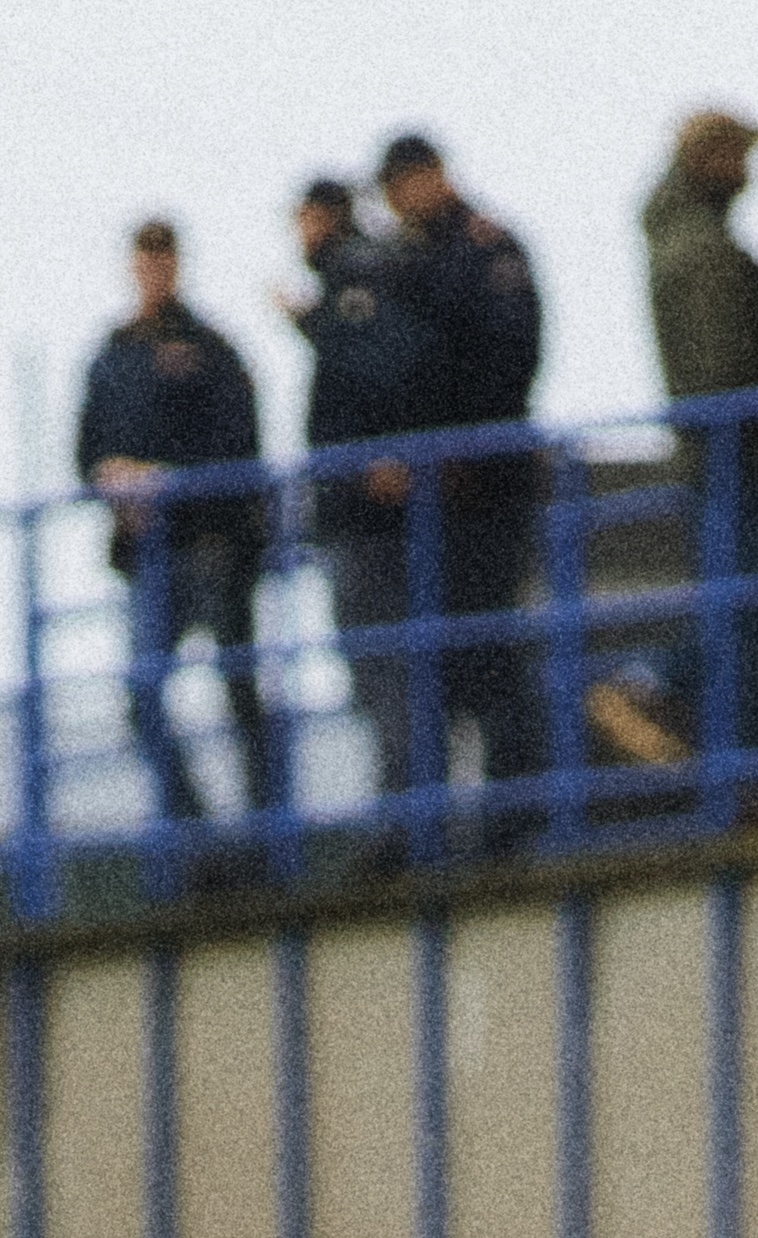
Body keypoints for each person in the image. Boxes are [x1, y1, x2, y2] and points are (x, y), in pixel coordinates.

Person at [599, 108, 758, 797]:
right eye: (738, 153)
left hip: (731, 456)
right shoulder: (703, 249)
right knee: (757, 609)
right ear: (709, 157)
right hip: (743, 457)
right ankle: (735, 762)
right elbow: (722, 367)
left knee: (753, 608)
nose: (747, 170)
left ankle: (740, 763)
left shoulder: (687, 238)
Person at [76, 220, 280, 846]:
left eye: (163, 260)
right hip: (147, 555)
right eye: (145, 261)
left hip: (213, 544)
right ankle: (200, 843)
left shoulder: (213, 349)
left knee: (238, 688)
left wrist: (168, 479)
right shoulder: (112, 354)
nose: (154, 272)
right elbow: (87, 448)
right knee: (142, 701)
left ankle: (262, 839)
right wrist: (111, 478)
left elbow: (239, 443)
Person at [369, 135, 550, 823]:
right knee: (443, 662)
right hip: (432, 496)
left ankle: (514, 812)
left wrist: (460, 455)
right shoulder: (410, 258)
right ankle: (461, 816)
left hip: (485, 486)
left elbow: (507, 360)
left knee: (488, 651)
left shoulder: (483, 249)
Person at [285, 176, 431, 834]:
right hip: (357, 504)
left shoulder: (356, 284)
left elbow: (386, 368)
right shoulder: (362, 279)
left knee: (380, 664)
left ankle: (403, 817)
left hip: (367, 512)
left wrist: (381, 455)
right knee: (383, 663)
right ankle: (404, 810)